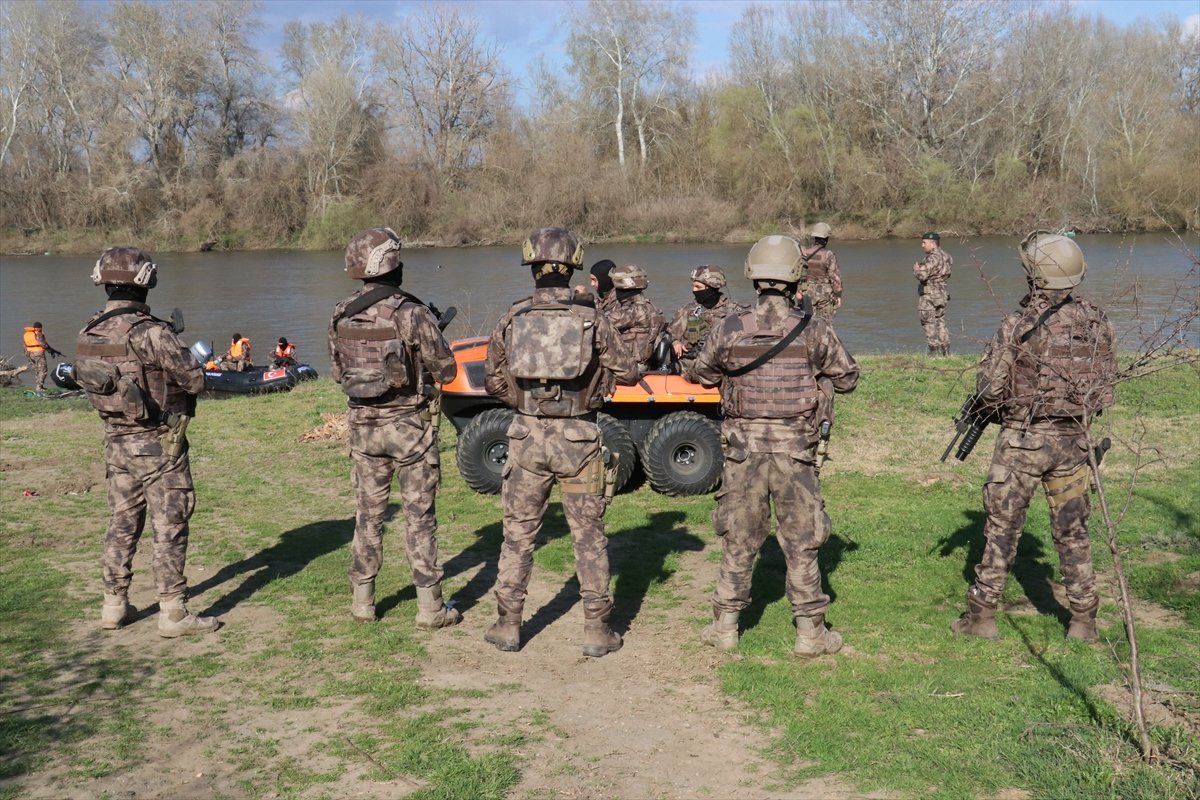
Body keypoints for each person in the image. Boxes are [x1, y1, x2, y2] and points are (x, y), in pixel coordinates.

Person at [683, 235, 860, 657]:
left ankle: (725, 627)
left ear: (753, 275)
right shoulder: (814, 328)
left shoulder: (729, 327)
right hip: (795, 451)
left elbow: (702, 374)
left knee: (738, 537)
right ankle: (810, 634)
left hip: (743, 451)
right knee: (802, 540)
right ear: (795, 276)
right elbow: (848, 379)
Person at [951, 231, 1116, 642]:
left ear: (1033, 276)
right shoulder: (1098, 322)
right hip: (1074, 441)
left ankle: (982, 616)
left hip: (1023, 441)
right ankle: (1083, 621)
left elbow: (990, 388)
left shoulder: (1018, 325)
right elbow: (1106, 385)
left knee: (1002, 529)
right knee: (1073, 531)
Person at [483, 227, 638, 656]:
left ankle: (507, 624)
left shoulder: (513, 318)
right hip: (578, 441)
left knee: (517, 534)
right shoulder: (592, 318)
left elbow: (492, 378)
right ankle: (595, 630)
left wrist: (526, 402)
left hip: (526, 438)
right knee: (588, 534)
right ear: (574, 265)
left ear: (531, 265)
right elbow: (629, 372)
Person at [73, 246, 216, 636]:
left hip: (115, 442)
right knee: (169, 525)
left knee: (122, 522)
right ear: (146, 280)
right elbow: (196, 381)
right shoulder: (152, 331)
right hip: (158, 443)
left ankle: (113, 605)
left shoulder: (89, 329)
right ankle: (173, 613)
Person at [328, 227, 460, 630]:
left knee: (368, 515)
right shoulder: (412, 313)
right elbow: (447, 370)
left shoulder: (340, 313)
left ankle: (362, 601)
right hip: (410, 430)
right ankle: (430, 608)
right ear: (393, 265)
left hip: (364, 429)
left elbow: (337, 371)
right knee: (419, 516)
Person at [667, 266, 746, 364]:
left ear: (711, 287)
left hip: (719, 367)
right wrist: (675, 342)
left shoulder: (733, 311)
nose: (694, 290)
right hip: (689, 366)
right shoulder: (687, 309)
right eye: (693, 286)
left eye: (698, 287)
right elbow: (671, 333)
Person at [608, 263, 666, 369]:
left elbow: (600, 323)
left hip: (630, 367)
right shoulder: (651, 306)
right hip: (644, 364)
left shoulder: (631, 311)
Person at [913, 232, 952, 356]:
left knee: (928, 322)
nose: (922, 245)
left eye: (924, 242)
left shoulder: (932, 257)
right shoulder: (947, 256)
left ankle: (933, 353)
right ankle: (946, 352)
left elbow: (922, 276)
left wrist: (916, 269)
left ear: (932, 243)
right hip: (942, 294)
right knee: (940, 321)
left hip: (929, 295)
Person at [799, 223, 843, 319]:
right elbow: (835, 277)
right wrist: (838, 295)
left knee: (806, 323)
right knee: (824, 324)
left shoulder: (803, 252)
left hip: (806, 291)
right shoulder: (828, 255)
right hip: (825, 295)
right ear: (826, 238)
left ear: (814, 237)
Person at [22, 321, 61, 392]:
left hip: (29, 354)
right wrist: (51, 350)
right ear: (40, 328)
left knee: (37, 370)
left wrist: (27, 355)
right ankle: (39, 387)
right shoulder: (39, 333)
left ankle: (39, 386)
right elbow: (43, 344)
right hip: (38, 354)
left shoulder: (27, 334)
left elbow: (24, 345)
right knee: (43, 370)